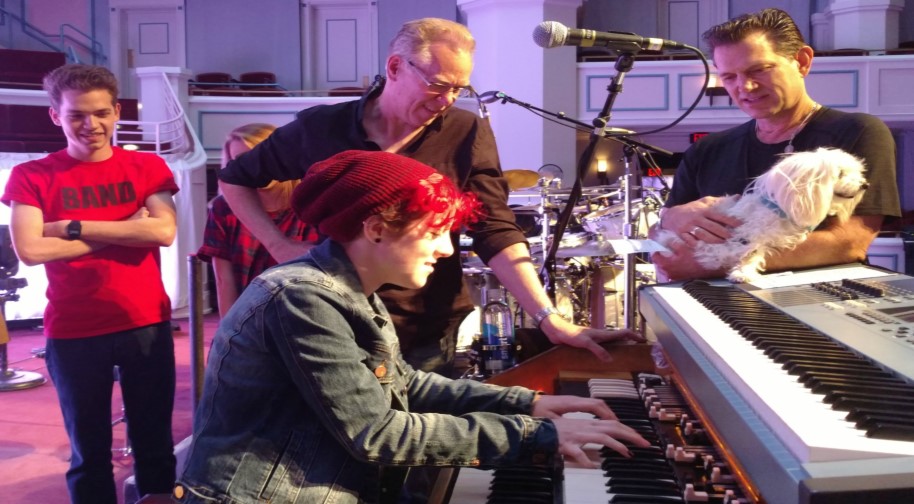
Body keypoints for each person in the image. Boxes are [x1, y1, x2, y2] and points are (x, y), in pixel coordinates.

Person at [173, 150, 650, 504]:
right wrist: (533, 434)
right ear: (377, 227)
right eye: (435, 230)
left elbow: (403, 384)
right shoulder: (302, 297)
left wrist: (531, 402)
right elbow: (377, 434)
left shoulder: (351, 291)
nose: (446, 249)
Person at [217, 17, 641, 375]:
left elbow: (495, 228)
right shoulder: (320, 128)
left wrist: (550, 319)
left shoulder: (465, 130)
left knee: (418, 449)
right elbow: (234, 179)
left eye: (460, 88)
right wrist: (278, 244)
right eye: (438, 85)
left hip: (426, 324)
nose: (448, 99)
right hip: (330, 318)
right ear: (396, 67)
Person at [1, 64, 178, 503]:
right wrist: (122, 228)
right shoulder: (32, 175)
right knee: (88, 453)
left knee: (155, 447)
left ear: (117, 112)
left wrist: (73, 227)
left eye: (101, 113)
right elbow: (32, 251)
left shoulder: (146, 165)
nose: (91, 125)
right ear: (55, 116)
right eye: (78, 114)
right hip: (73, 329)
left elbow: (162, 232)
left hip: (144, 322)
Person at [650, 8, 901, 282]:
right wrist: (669, 218)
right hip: (714, 303)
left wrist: (712, 265)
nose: (744, 87)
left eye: (759, 69)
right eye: (729, 77)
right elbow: (659, 238)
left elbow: (849, 242)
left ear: (802, 61)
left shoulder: (858, 132)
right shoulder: (706, 150)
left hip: (816, 301)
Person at [196, 123, 317, 317]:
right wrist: (229, 334)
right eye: (239, 162)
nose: (250, 169)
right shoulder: (224, 208)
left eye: (255, 158)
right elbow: (224, 281)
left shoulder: (310, 202)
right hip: (250, 317)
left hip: (305, 313)